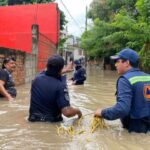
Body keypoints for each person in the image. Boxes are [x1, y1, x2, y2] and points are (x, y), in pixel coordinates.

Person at [94, 48, 150, 133]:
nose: (115, 65)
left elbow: (122, 109)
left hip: (134, 129)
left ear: (127, 63)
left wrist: (102, 112)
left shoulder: (125, 80)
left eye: (117, 61)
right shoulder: (148, 77)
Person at [28, 54, 82, 122]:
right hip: (51, 123)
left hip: (32, 120)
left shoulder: (36, 79)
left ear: (47, 66)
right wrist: (78, 111)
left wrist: (64, 70)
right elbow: (67, 112)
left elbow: (48, 72)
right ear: (61, 69)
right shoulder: (60, 85)